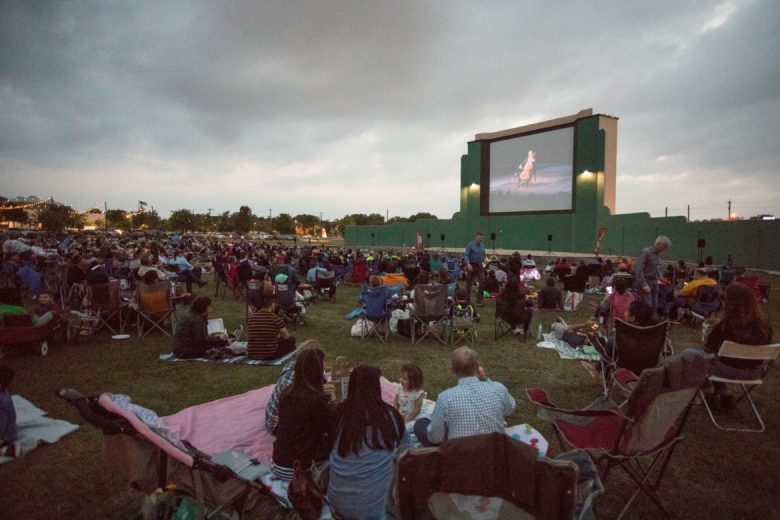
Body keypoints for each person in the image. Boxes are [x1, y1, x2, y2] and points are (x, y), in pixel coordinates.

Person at [327, 365, 409, 519]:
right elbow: (407, 453)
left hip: (337, 504)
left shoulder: (339, 413)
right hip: (374, 512)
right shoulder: (390, 416)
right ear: (376, 387)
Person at [414, 347, 515, 446]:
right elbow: (509, 409)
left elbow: (435, 439)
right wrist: (485, 379)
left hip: (462, 457)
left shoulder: (445, 398)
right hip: (494, 452)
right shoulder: (497, 388)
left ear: (453, 370)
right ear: (478, 366)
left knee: (420, 424)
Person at [700, 283, 773, 409]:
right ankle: (724, 393)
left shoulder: (725, 326)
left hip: (727, 371)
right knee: (714, 362)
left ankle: (709, 391)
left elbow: (709, 348)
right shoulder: (764, 327)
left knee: (696, 357)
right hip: (754, 373)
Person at [271, 349, 334, 481]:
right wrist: (332, 401)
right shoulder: (315, 399)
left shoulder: (287, 393)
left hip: (277, 464)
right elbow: (333, 427)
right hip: (299, 471)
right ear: (317, 372)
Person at [264, 339, 333, 435]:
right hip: (278, 425)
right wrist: (320, 392)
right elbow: (300, 404)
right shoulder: (293, 379)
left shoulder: (300, 369)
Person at [246, 295, 296, 360]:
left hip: (251, 354)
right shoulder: (276, 318)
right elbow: (286, 337)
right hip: (269, 355)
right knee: (291, 340)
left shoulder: (251, 318)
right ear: (272, 304)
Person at [634, 236, 671, 312]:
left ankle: (653, 321)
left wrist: (660, 277)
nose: (664, 249)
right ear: (659, 244)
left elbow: (655, 268)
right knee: (648, 304)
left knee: (655, 304)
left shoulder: (657, 255)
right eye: (664, 247)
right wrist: (644, 284)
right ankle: (644, 321)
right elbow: (638, 269)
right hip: (646, 281)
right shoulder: (646, 252)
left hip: (654, 281)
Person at [464, 232, 486, 306]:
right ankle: (467, 300)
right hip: (471, 266)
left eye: (482, 238)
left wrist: (485, 261)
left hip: (480, 266)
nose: (480, 239)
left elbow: (484, 255)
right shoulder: (469, 245)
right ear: (475, 237)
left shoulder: (483, 246)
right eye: (479, 237)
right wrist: (468, 264)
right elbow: (466, 255)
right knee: (468, 284)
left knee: (482, 281)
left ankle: (479, 301)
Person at [0, 365, 18, 458]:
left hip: (6, 436)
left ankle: (6, 450)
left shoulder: (4, 402)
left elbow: (2, 426)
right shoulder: (4, 395)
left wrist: (5, 439)